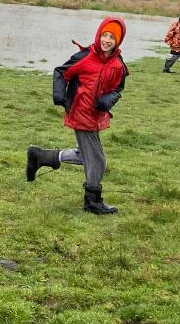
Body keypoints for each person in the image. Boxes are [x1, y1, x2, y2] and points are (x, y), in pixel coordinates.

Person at [26, 15, 128, 214]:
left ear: (118, 41)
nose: (107, 40)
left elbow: (119, 87)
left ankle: (41, 156)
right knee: (97, 160)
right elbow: (61, 72)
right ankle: (92, 200)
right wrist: (61, 97)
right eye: (104, 35)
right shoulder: (84, 57)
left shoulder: (117, 63)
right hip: (80, 112)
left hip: (97, 115)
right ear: (98, 35)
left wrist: (110, 98)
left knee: (86, 156)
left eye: (112, 38)